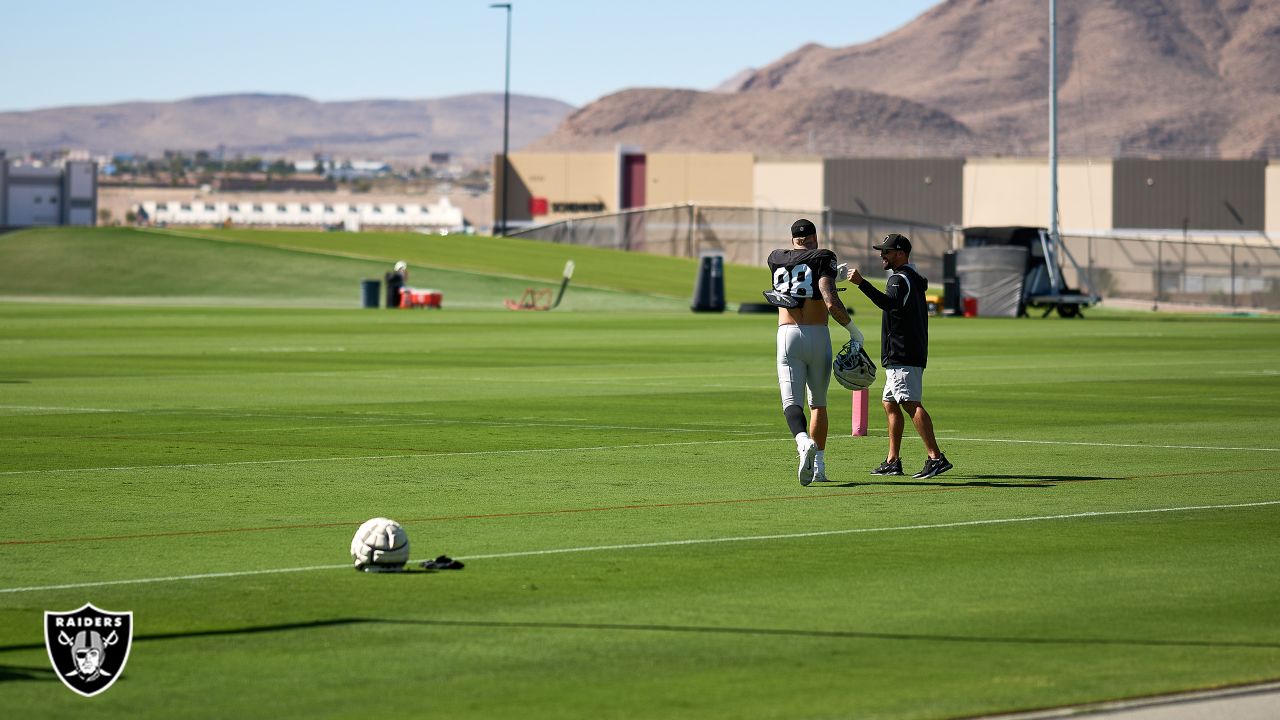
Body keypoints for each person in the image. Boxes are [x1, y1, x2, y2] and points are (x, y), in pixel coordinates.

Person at [765, 218, 864, 486]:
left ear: (792, 239)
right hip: (819, 334)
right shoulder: (823, 256)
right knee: (818, 403)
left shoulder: (775, 258)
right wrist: (855, 332)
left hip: (788, 335)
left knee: (791, 404)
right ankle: (819, 467)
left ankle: (801, 442)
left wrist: (832, 273)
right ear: (815, 237)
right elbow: (830, 300)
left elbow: (798, 275)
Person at [847, 233, 952, 479]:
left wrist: (862, 283)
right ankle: (893, 460)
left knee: (909, 402)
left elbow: (889, 304)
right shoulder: (912, 277)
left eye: (887, 251)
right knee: (890, 402)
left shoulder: (898, 279)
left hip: (902, 352)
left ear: (901, 253)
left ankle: (936, 457)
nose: (882, 255)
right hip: (906, 351)